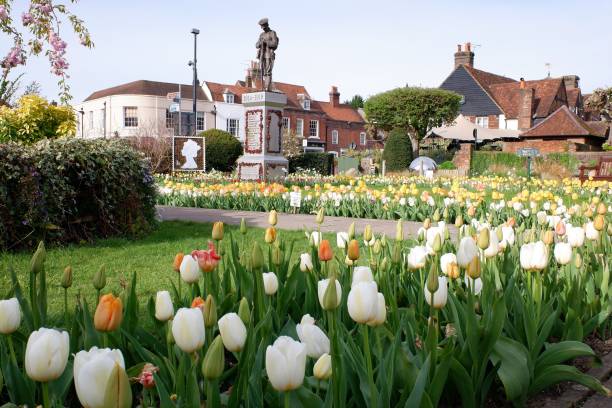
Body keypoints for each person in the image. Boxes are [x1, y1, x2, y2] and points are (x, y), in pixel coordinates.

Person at [255, 18, 279, 92]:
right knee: (263, 71)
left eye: (263, 27)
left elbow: (275, 44)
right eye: (261, 27)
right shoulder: (261, 35)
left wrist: (266, 42)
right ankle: (265, 87)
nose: (262, 28)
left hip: (269, 54)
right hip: (262, 55)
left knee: (268, 72)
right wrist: (260, 43)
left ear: (267, 25)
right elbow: (256, 45)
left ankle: (267, 88)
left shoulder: (272, 33)